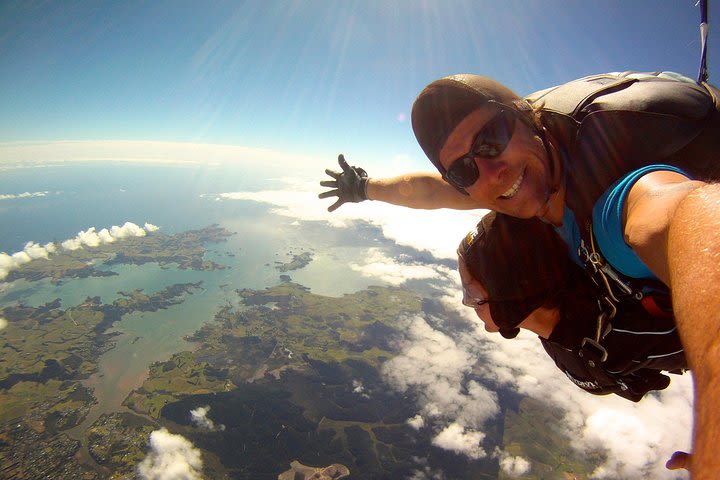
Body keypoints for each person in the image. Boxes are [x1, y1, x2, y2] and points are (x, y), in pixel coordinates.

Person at [319, 71, 720, 477]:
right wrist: (365, 187)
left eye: (490, 140)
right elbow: (429, 188)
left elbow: (687, 217)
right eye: (463, 170)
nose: (491, 172)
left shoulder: (612, 209)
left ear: (532, 120)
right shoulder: (506, 181)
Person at [458, 211, 686, 403]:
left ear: (510, 301)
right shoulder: (559, 330)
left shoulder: (617, 337)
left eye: (472, 294)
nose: (467, 303)